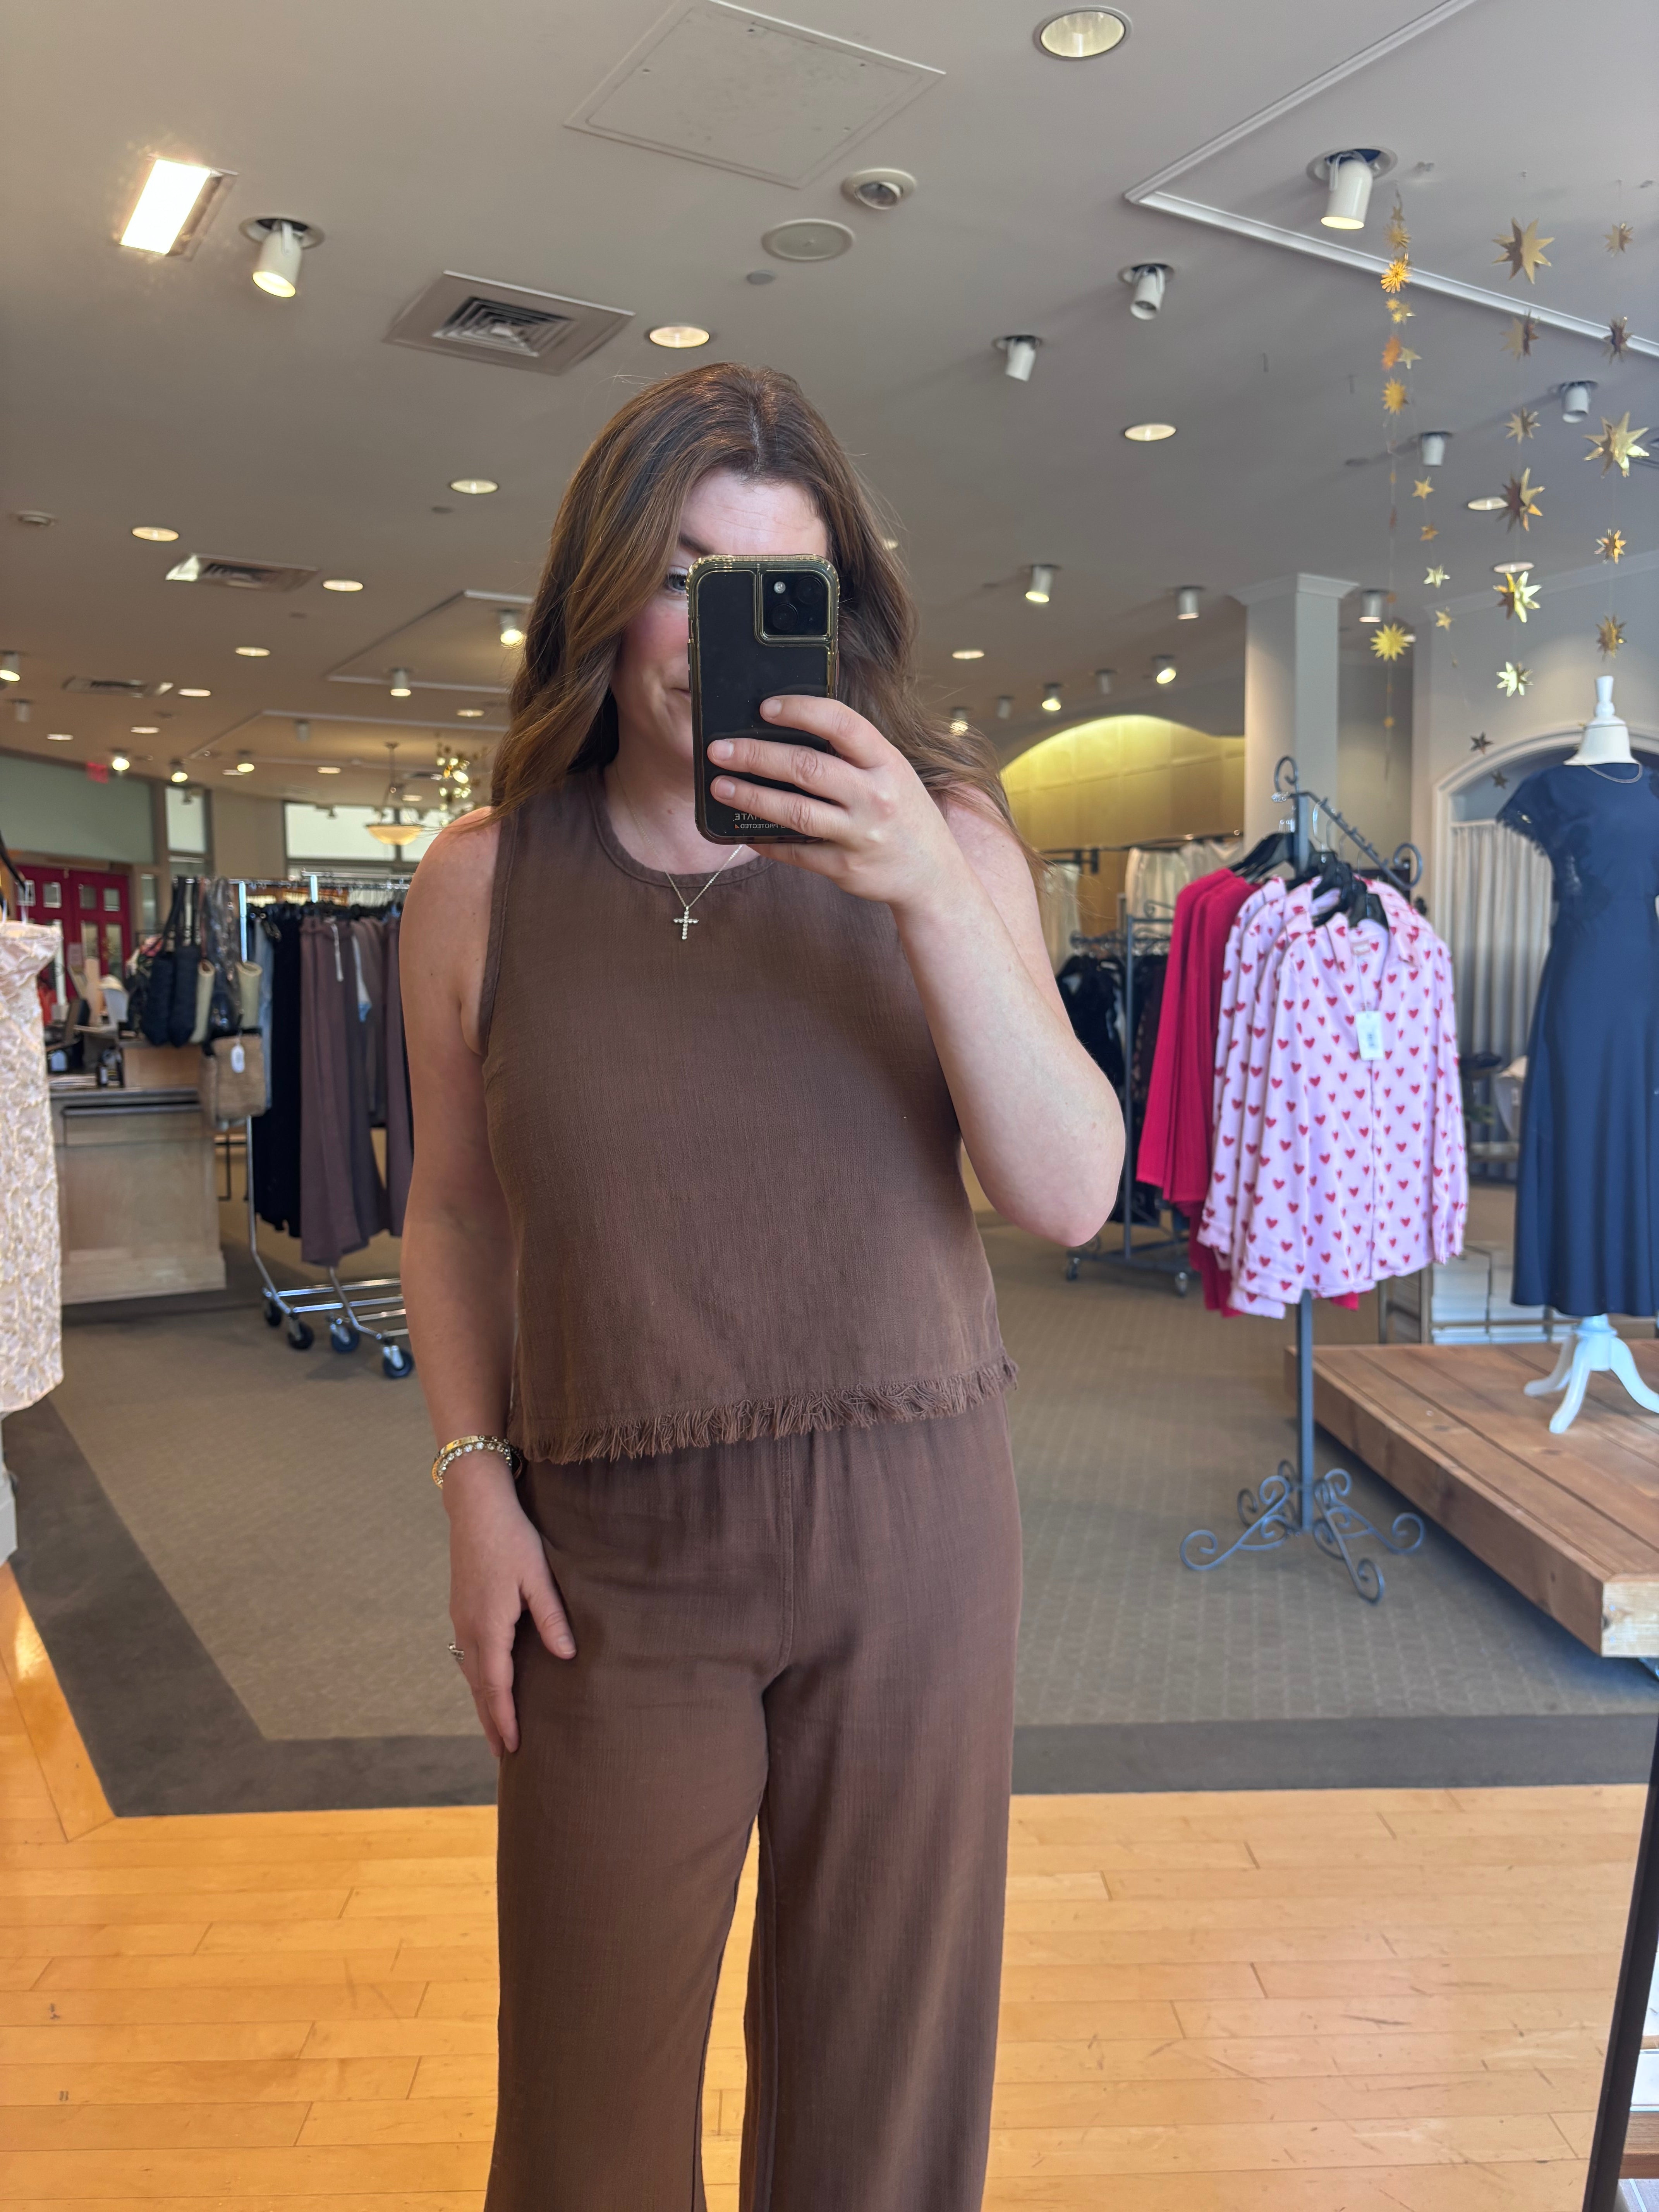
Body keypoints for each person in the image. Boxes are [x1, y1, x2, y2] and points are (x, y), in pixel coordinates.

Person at [399, 361, 1121, 2212]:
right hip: (610, 1556)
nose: (713, 631)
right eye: (681, 577)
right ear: (603, 595)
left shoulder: (947, 840)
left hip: (916, 1524)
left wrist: (929, 889)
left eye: (767, 584)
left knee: (888, 2099)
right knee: (585, 2116)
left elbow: (1067, 1191)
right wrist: (471, 1481)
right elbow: (455, 1212)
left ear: (835, 609)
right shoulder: (483, 882)